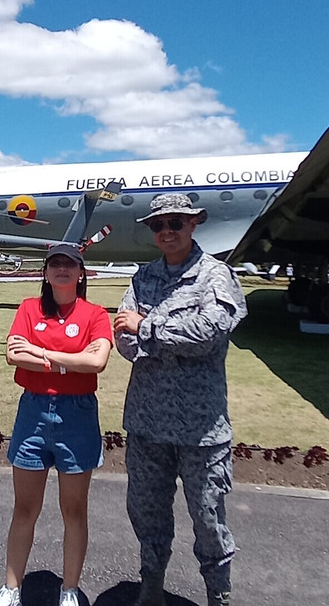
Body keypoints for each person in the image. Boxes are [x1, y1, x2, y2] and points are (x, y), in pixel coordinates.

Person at [112, 193, 248, 606]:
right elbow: (122, 338)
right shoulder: (143, 278)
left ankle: (218, 596)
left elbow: (210, 333)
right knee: (147, 515)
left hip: (200, 429)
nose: (167, 231)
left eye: (175, 222)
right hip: (147, 423)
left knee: (208, 520)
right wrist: (160, 336)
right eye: (158, 225)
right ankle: (150, 589)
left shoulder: (215, 276)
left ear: (193, 225)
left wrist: (148, 328)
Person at [0, 244, 114, 606]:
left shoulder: (95, 313)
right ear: (46, 273)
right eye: (55, 264)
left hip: (77, 415)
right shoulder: (30, 308)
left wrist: (42, 354)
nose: (62, 270)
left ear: (81, 273)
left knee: (73, 510)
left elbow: (98, 362)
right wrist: (70, 360)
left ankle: (69, 590)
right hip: (33, 411)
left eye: (70, 264)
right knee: (25, 508)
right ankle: (12, 587)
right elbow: (14, 354)